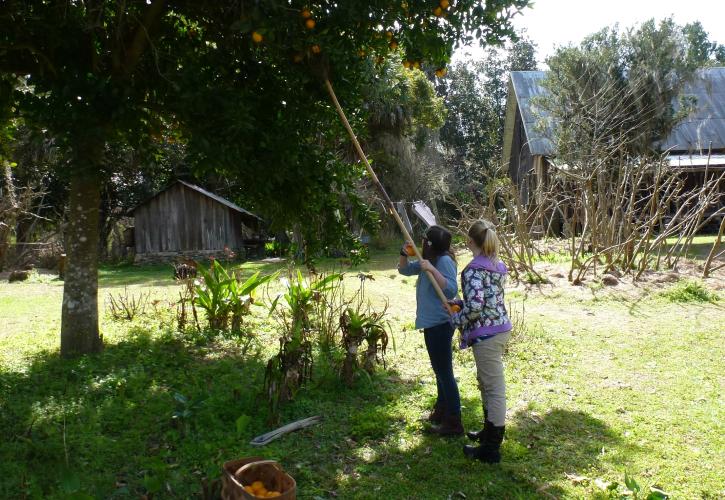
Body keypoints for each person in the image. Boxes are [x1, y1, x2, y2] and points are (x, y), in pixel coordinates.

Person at [450, 219, 512, 463]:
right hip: (499, 328)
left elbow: (477, 305)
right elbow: (488, 300)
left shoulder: (475, 269)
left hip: (487, 334)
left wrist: (457, 319)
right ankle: (489, 430)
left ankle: (491, 449)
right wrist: (463, 305)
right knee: (486, 383)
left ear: (470, 241)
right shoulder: (497, 265)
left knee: (494, 388)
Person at [398, 225, 462, 436]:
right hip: (430, 323)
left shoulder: (442, 261)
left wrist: (431, 269)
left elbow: (451, 289)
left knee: (445, 372)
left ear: (431, 244)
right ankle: (442, 409)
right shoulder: (430, 260)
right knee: (439, 371)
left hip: (441, 324)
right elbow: (404, 270)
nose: (422, 242)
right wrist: (404, 254)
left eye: (425, 240)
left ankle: (453, 421)